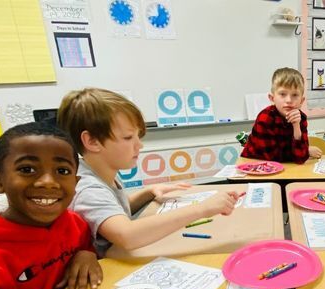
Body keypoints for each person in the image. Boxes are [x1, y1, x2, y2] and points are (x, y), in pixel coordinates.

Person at [57, 88, 239, 257]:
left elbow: (112, 209)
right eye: (128, 137)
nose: (139, 145)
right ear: (92, 141)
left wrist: (147, 191)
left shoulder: (99, 169)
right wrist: (203, 209)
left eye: (138, 136)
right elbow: (127, 235)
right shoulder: (86, 188)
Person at [0, 122, 102, 289]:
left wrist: (86, 255)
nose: (48, 182)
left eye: (62, 171)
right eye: (27, 169)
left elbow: (84, 247)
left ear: (76, 182)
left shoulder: (73, 223)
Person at [241, 67, 322, 164]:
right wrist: (306, 151)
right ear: (272, 98)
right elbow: (273, 158)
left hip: (282, 168)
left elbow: (300, 159)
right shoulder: (265, 118)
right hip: (252, 165)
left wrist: (296, 127)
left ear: (301, 101)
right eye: (283, 94)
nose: (289, 100)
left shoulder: (301, 118)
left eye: (295, 95)